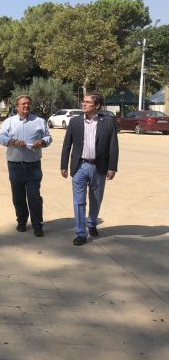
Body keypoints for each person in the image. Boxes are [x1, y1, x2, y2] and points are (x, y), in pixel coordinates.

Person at [61, 92, 119, 246]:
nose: (84, 104)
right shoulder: (75, 122)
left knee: (96, 199)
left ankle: (92, 223)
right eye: (83, 101)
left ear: (97, 105)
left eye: (87, 102)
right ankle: (81, 233)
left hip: (99, 167)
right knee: (79, 201)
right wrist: (63, 165)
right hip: (79, 166)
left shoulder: (108, 122)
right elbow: (67, 144)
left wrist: (112, 167)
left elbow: (113, 145)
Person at [0, 95, 52, 236]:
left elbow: (48, 137)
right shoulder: (9, 122)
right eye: (23, 104)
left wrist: (42, 142)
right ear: (17, 107)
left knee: (34, 196)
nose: (26, 106)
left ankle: (37, 225)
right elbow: (0, 137)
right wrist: (13, 141)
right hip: (15, 165)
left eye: (28, 103)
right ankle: (21, 222)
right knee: (18, 196)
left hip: (33, 165)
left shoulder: (39, 121)